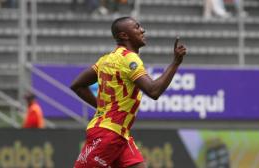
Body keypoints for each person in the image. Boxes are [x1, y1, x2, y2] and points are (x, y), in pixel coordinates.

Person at [70, 17, 187, 168]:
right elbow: (153, 91)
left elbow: (77, 85)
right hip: (107, 135)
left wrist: (102, 109)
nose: (142, 30)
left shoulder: (105, 60)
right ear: (124, 35)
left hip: (119, 134)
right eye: (137, 27)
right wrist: (175, 62)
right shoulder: (129, 59)